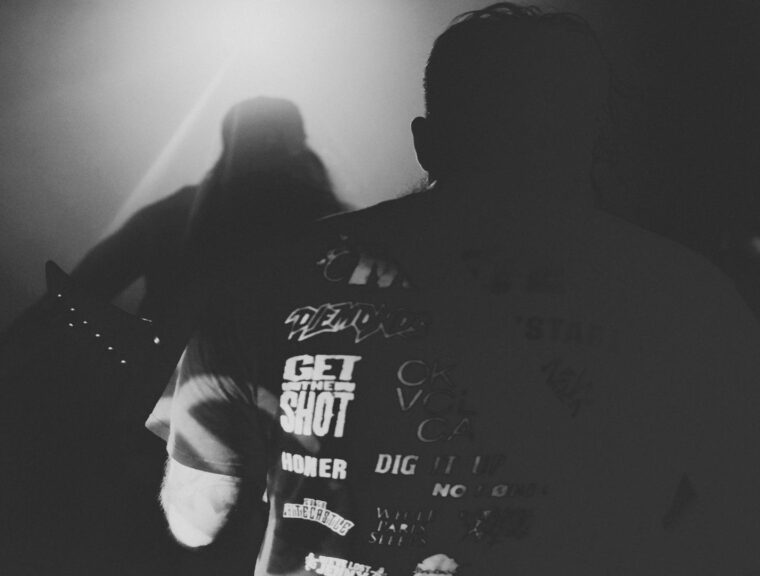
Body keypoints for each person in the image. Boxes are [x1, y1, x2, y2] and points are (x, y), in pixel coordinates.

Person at [151, 4, 760, 575]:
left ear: (425, 140)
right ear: (597, 144)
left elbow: (198, 519)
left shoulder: (275, 275)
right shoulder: (689, 297)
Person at [71, 96, 345, 364]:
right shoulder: (331, 224)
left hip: (162, 390)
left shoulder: (175, 214)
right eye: (300, 141)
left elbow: (71, 298)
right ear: (286, 143)